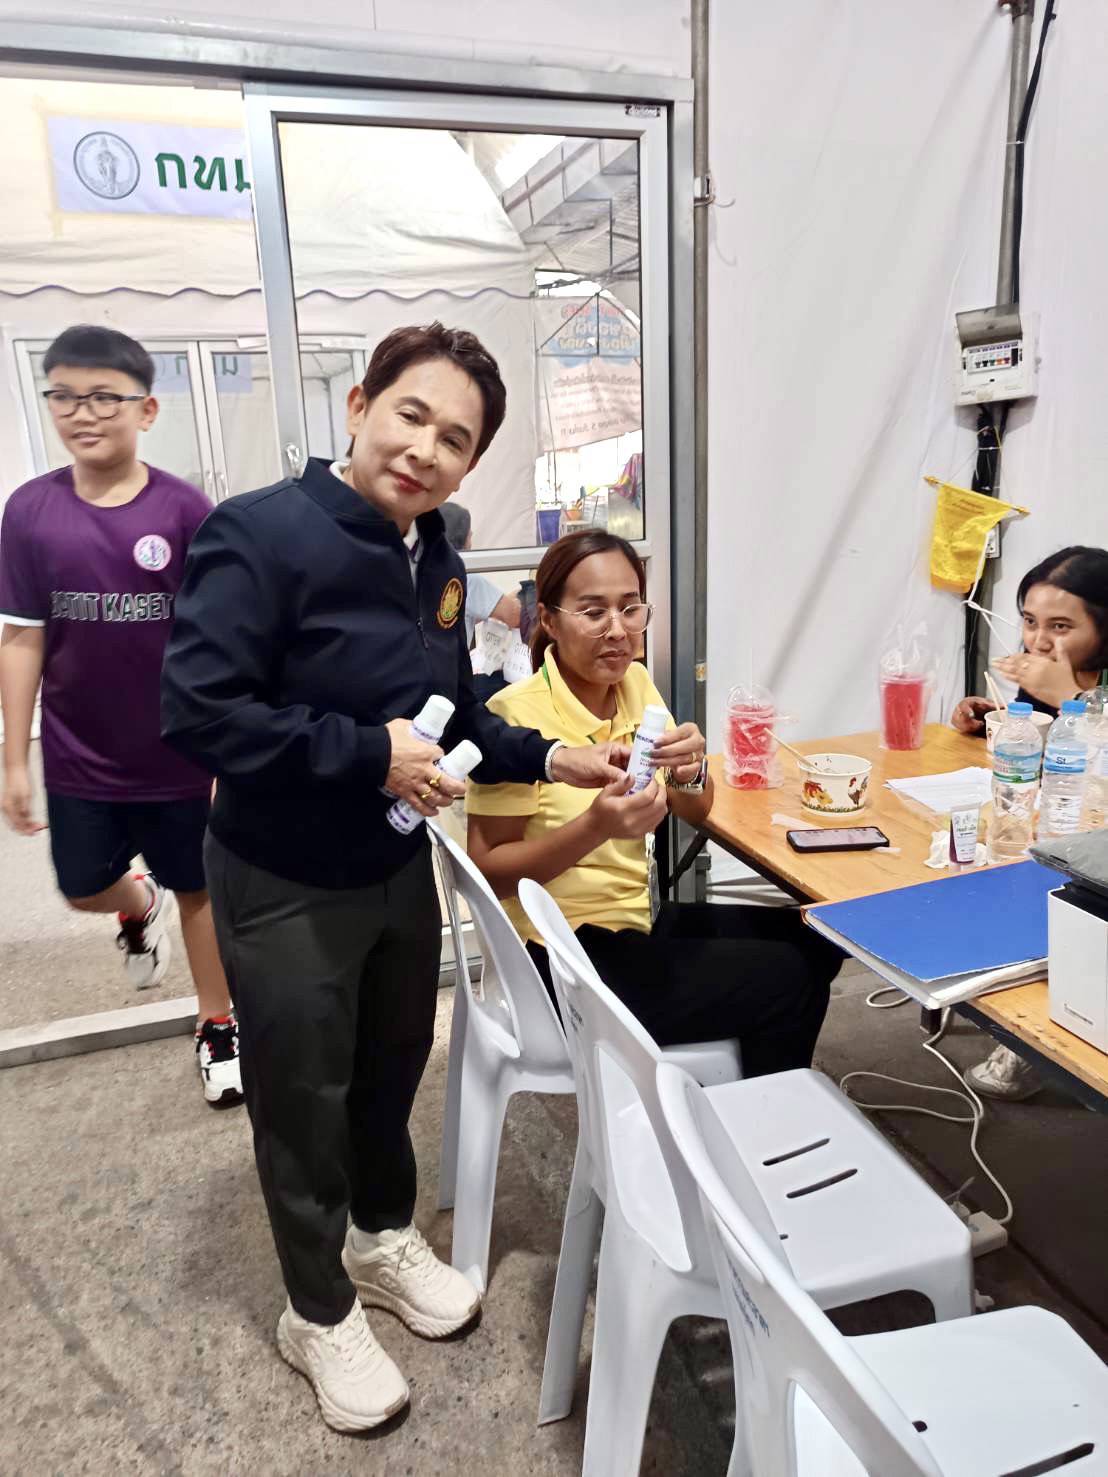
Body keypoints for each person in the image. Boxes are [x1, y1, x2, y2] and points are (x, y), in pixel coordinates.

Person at [160, 322, 631, 1435]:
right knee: (300, 1096)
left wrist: (551, 756)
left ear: (470, 464)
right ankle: (316, 1309)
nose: (426, 449)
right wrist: (369, 752)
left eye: (455, 439)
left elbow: (453, 711)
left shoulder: (436, 559)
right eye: (412, 415)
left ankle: (378, 1236)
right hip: (282, 874)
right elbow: (198, 713)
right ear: (360, 403)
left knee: (390, 1066)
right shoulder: (258, 533)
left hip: (392, 862)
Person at [466, 529, 842, 1077]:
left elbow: (696, 810)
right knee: (785, 977)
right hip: (559, 957)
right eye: (593, 612)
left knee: (817, 939)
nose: (618, 630)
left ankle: (734, 1085)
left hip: (636, 920)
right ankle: (755, 1111)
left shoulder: (635, 683)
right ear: (549, 619)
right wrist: (595, 827)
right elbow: (489, 872)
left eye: (630, 608)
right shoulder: (514, 718)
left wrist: (691, 771)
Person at [0, 325, 241, 1107]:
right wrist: (14, 758)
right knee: (80, 886)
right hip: (79, 753)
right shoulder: (29, 512)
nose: (84, 412)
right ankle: (137, 903)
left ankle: (216, 1022)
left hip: (179, 753)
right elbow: (22, 636)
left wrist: (222, 750)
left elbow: (218, 642)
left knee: (199, 889)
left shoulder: (184, 510)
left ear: (147, 409)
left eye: (105, 396)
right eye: (66, 396)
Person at [952, 545, 1108, 1101]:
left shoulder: (1073, 679)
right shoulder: (1045, 669)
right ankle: (1006, 995)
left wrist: (1071, 699)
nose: (1039, 641)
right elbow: (1041, 750)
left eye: (1061, 626)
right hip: (1051, 823)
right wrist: (994, 720)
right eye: (1029, 621)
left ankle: (1036, 1039)